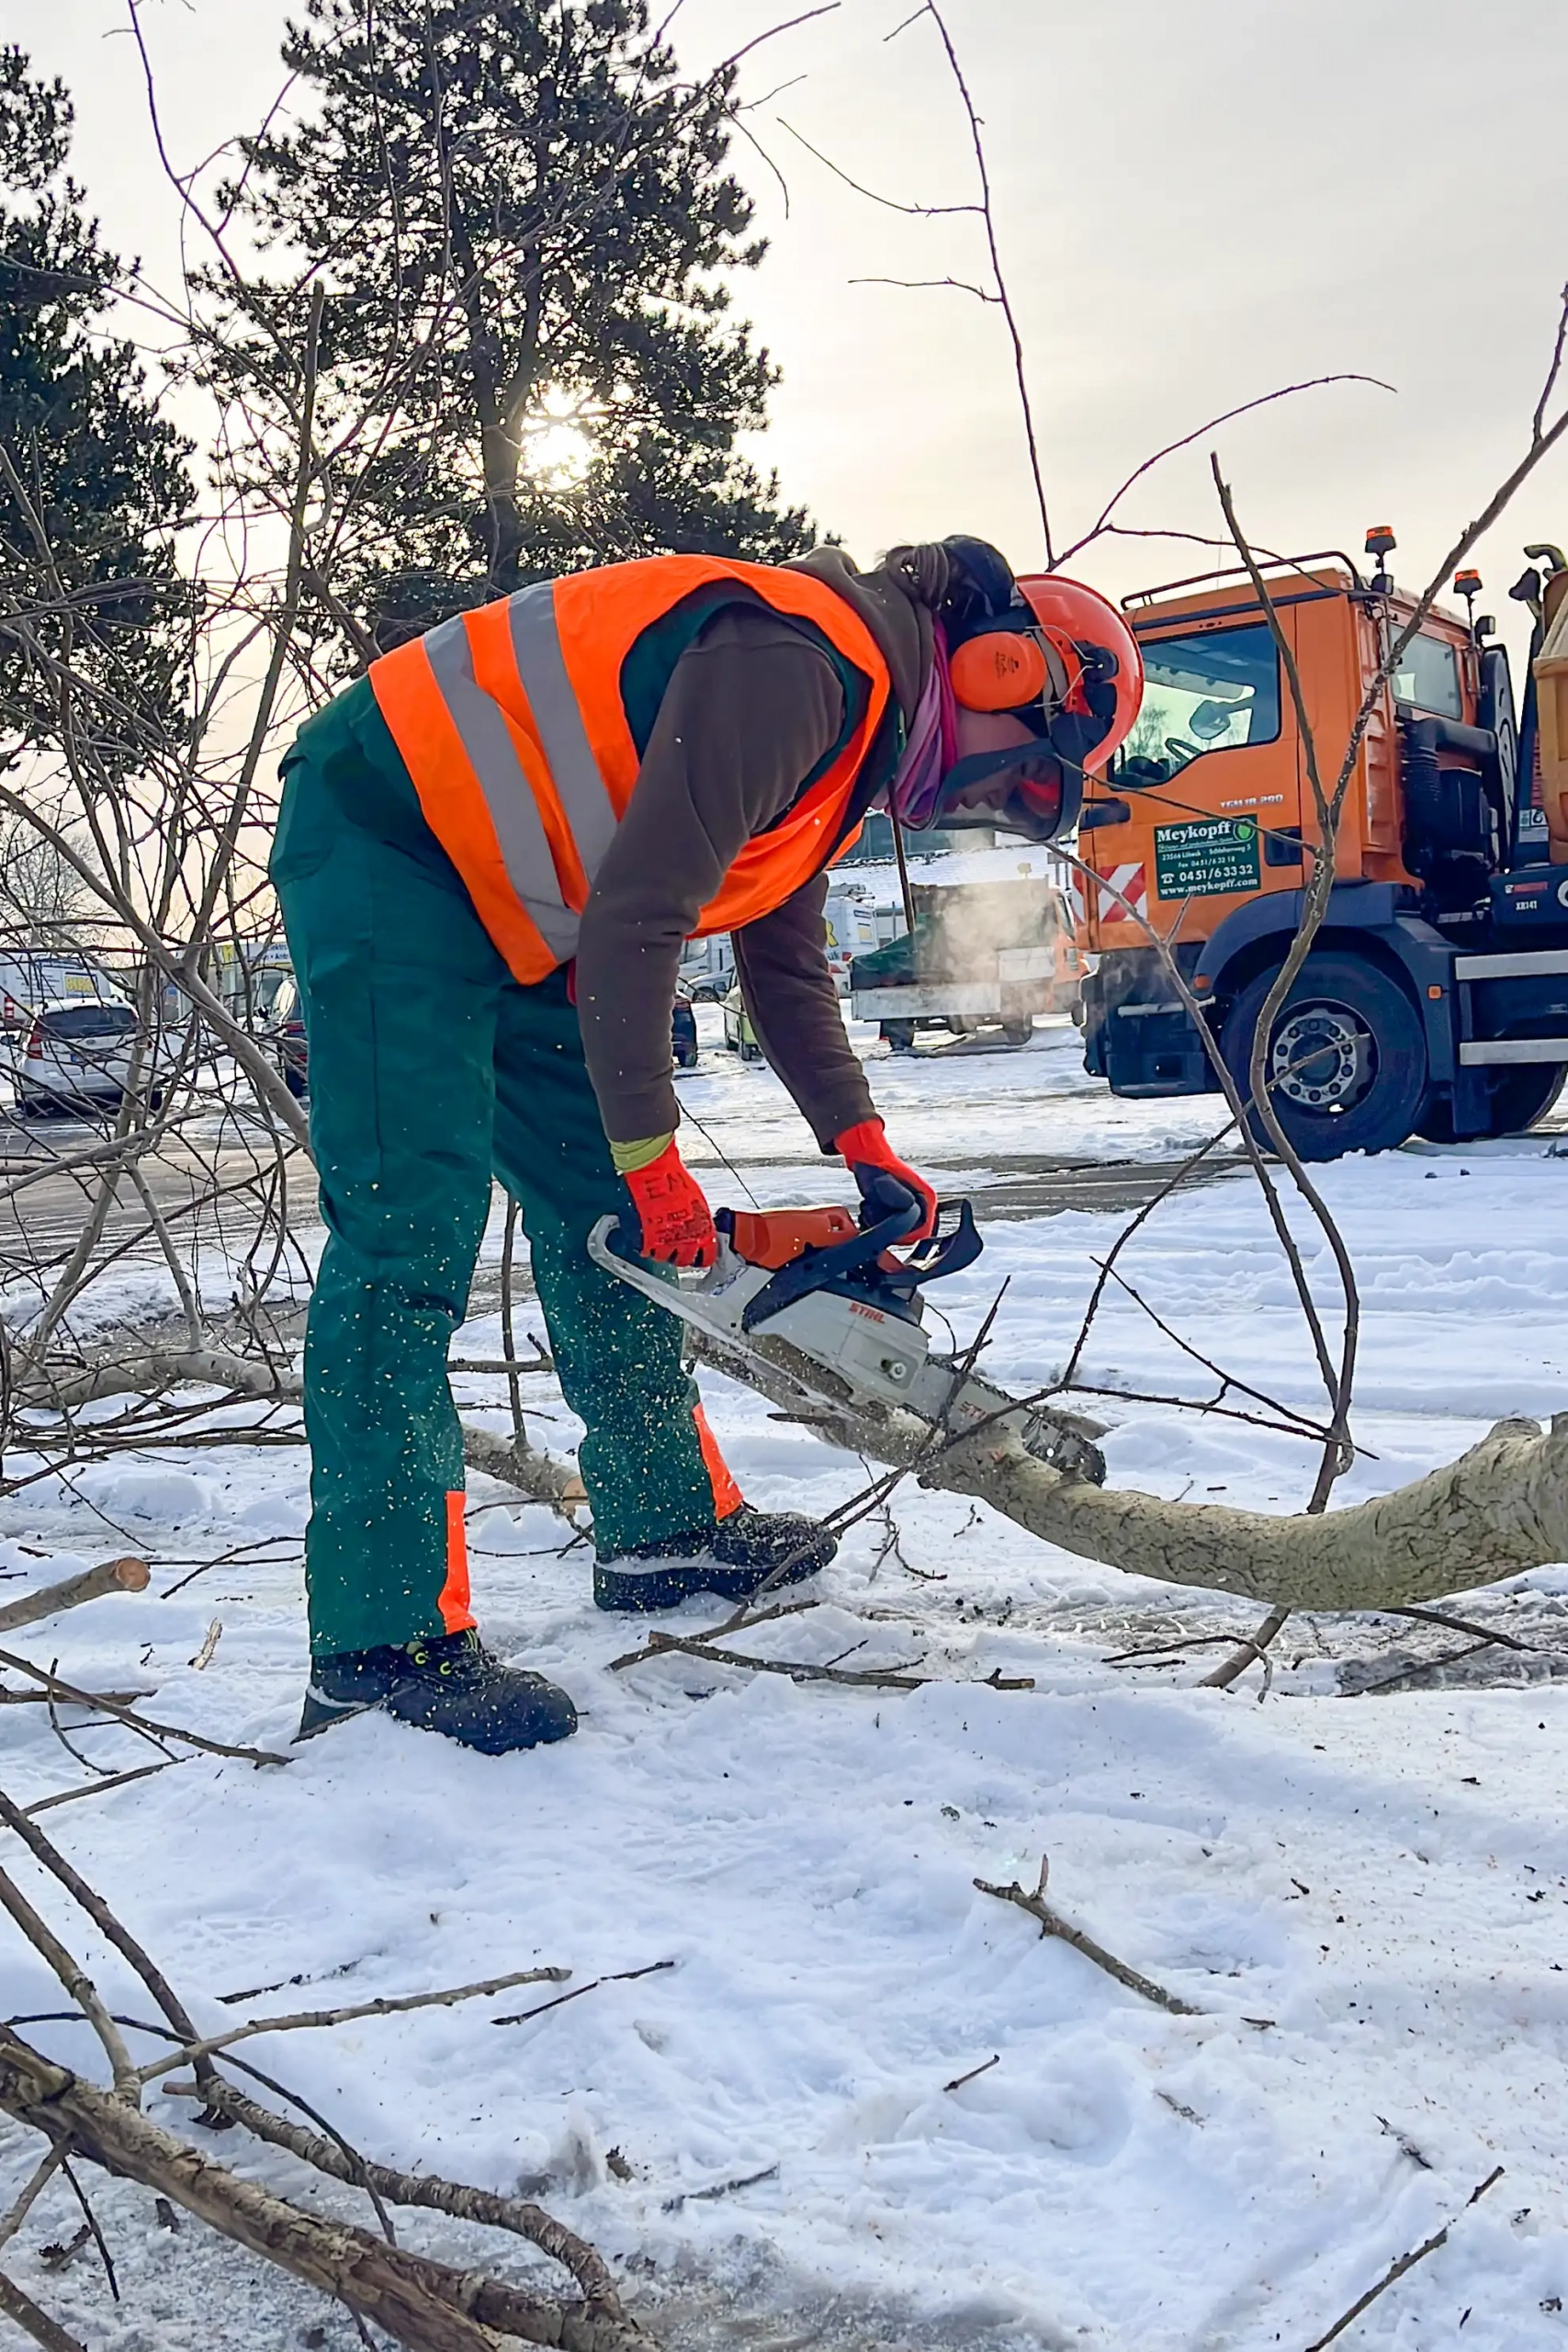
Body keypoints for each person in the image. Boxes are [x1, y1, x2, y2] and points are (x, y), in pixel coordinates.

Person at [272, 537, 1140, 1754]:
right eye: (1016, 774)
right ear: (999, 671)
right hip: (388, 834)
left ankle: (661, 1531)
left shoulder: (848, 740)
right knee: (409, 1222)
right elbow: (641, 920)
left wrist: (862, 1143)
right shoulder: (794, 667)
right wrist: (656, 1155)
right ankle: (375, 1643)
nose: (985, 801)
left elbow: (781, 963)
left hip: (522, 898)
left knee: (604, 1219)